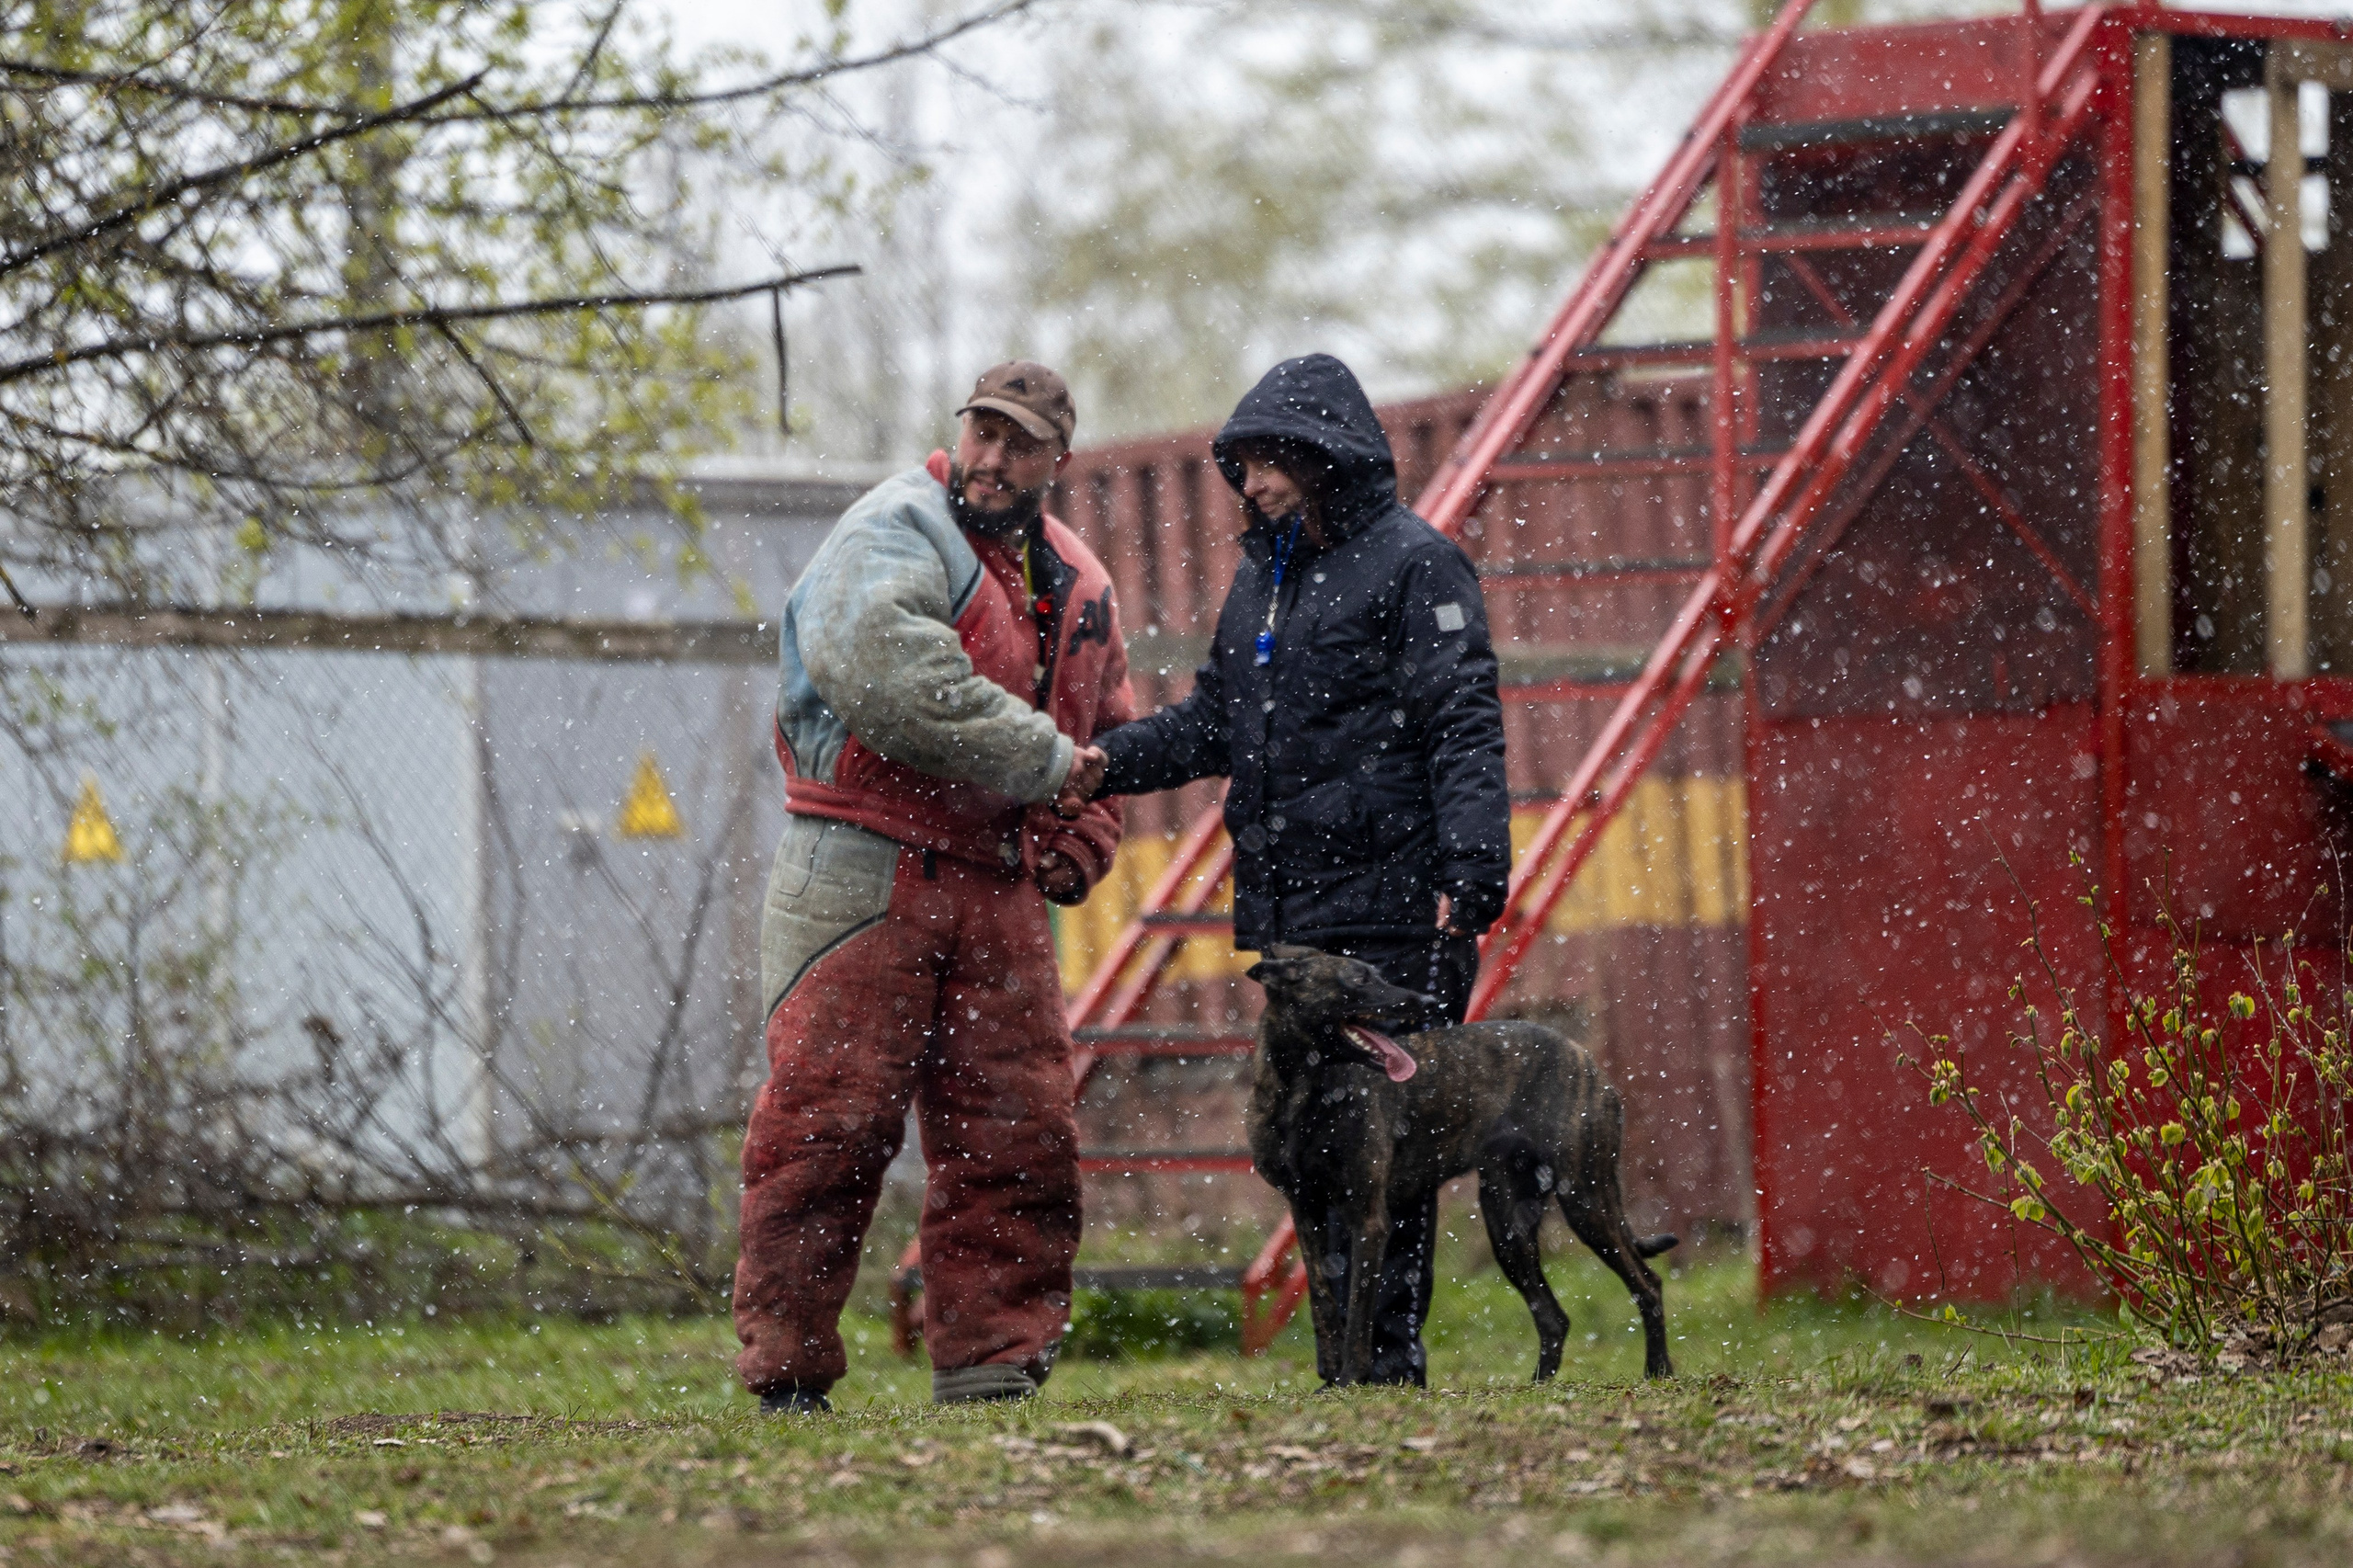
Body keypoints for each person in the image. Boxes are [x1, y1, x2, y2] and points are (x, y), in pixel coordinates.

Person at [1062, 352, 1509, 1387]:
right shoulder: (1261, 580)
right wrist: (1107, 763)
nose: (1252, 481)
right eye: (1244, 464)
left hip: (1397, 912)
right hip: (1295, 923)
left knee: (1390, 1152)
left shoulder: (1416, 564)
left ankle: (1386, 1369)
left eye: (1270, 461)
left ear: (1325, 455)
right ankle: (1341, 1368)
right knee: (1309, 1150)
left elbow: (1462, 722)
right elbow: (1216, 721)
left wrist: (1474, 867)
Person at [734, 361, 1127, 1413]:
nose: (994, 458)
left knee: (1017, 1128)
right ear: (961, 431)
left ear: (1058, 459)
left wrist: (1084, 830)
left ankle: (993, 1363)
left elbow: (1110, 735)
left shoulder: (1079, 581)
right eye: (982, 433)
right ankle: (787, 1370)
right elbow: (893, 682)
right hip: (859, 863)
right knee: (827, 1123)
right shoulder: (890, 530)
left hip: (995, 881)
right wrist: (1048, 766)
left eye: (1020, 442)